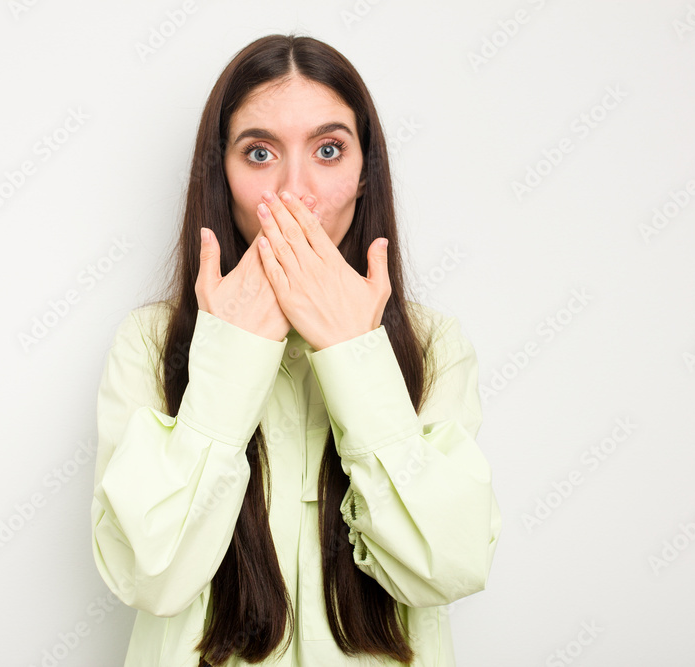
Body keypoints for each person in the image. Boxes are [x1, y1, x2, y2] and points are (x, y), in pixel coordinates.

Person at [91, 32, 502, 667]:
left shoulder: (432, 344)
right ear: (221, 176)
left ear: (364, 175)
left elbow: (450, 566)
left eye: (328, 150)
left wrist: (354, 351)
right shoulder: (150, 343)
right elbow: (150, 577)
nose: (294, 192)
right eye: (259, 153)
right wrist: (232, 352)